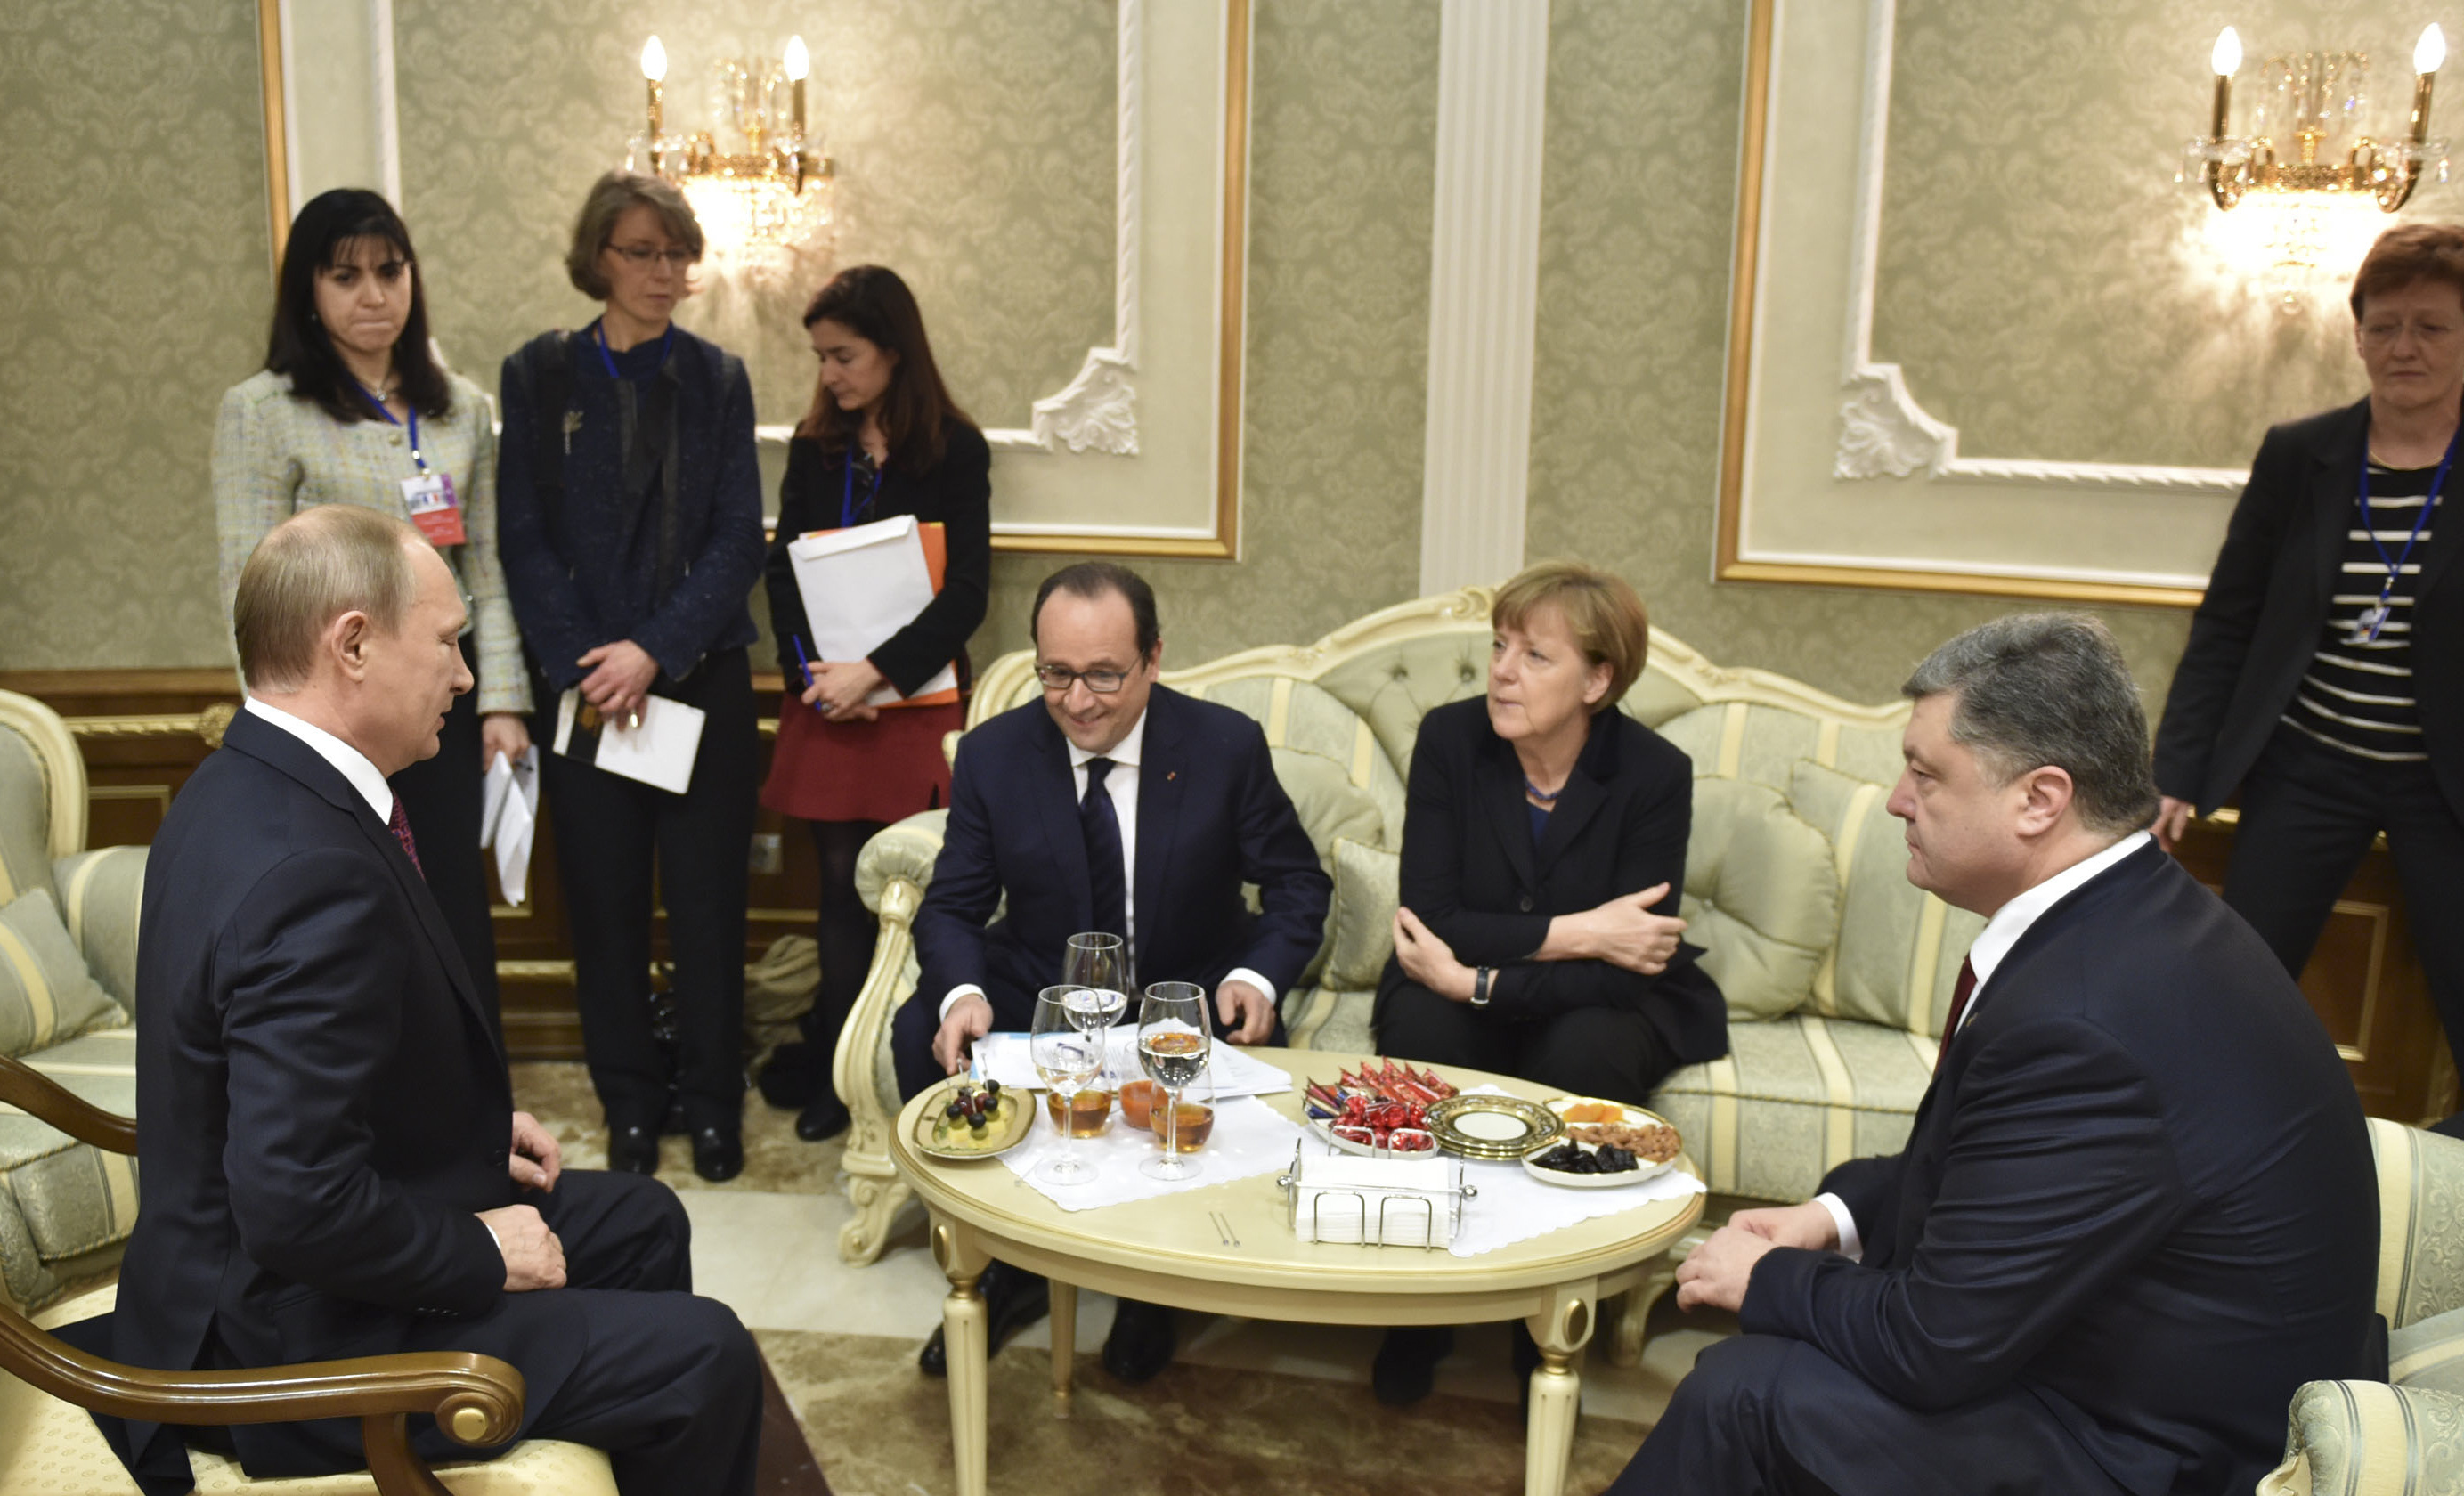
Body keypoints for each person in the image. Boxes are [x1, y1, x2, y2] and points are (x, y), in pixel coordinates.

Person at [1609, 614, 2379, 1496]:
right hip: (2134, 1377)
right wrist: (1833, 1220)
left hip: (2159, 1452)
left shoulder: (2085, 1021)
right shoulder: (2133, 920)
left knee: (1744, 1395)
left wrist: (1773, 1277)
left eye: (1925, 774)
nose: (1897, 800)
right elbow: (1984, 1175)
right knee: (1792, 1348)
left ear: (2039, 800)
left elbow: (1932, 1346)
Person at [94, 506, 762, 1496]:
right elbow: (291, 1203)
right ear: (353, 645)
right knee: (707, 1354)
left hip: (270, 1258)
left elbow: (283, 1088)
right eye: (448, 644)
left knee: (646, 1218)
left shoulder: (238, 782)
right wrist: (477, 1251)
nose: (463, 676)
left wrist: (457, 1137)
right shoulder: (307, 870)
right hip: (289, 1335)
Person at [895, 561, 1331, 1382]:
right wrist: (962, 994)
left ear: (1153, 659)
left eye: (1104, 674)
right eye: (1055, 673)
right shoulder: (995, 754)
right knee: (920, 1027)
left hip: (1184, 990)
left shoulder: (1221, 746)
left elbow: (1298, 883)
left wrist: (1257, 979)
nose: (1078, 700)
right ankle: (1009, 1265)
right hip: (1040, 986)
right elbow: (952, 904)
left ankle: (1150, 1290)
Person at [1370, 562, 1730, 1405]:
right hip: (1451, 978)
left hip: (1596, 1005)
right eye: (1499, 647)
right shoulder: (1449, 741)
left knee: (1589, 1049)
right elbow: (1433, 921)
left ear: (1597, 679)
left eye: (1534, 656)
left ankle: (1543, 1320)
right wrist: (1580, 932)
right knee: (1426, 1033)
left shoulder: (1653, 774)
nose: (1501, 671)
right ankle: (1412, 1313)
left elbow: (1628, 967)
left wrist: (1478, 984)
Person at [497, 172, 765, 1183]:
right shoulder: (538, 376)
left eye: (676, 254)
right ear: (597, 260)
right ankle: (631, 1105)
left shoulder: (717, 377)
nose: (664, 273)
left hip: (697, 681)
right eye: (642, 252)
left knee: (708, 910)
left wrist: (653, 649)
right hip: (584, 691)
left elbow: (740, 537)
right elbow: (519, 537)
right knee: (603, 913)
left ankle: (710, 1104)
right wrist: (590, 663)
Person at [211, 187, 526, 1035]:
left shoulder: (460, 406)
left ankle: (474, 1102)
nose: (373, 294)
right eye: (345, 275)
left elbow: (484, 568)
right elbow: (248, 582)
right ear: (307, 291)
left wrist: (501, 700)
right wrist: (281, 732)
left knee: (452, 903)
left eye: (390, 271)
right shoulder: (264, 410)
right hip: (332, 719)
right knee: (352, 904)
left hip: (440, 702)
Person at [2154, 222, 2464, 1085]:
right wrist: (2175, 768)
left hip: (2443, 787)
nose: (2403, 347)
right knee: (2234, 986)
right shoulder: (2302, 456)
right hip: (2307, 770)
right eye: (2383, 326)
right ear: (2358, 334)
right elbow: (2228, 619)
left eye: (2432, 326)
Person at [757, 265, 991, 1143]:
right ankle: (837, 1078)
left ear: (895, 351)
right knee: (836, 888)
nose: (829, 376)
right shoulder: (815, 449)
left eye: (844, 356)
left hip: (915, 703)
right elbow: (782, 571)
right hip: (828, 701)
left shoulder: (954, 450)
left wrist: (877, 675)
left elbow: (967, 591)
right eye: (820, 357)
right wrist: (817, 674)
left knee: (916, 891)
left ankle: (908, 1065)